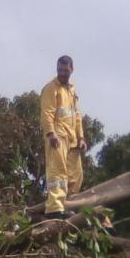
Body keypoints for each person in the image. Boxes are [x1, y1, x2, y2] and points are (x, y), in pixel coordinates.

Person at [40, 55, 86, 219]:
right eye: (60, 70)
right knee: (58, 173)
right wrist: (51, 134)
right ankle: (54, 208)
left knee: (75, 175)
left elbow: (77, 115)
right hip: (58, 137)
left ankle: (69, 205)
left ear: (71, 70)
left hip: (72, 138)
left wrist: (81, 138)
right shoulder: (51, 89)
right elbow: (47, 113)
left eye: (65, 70)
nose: (62, 73)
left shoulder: (71, 91)